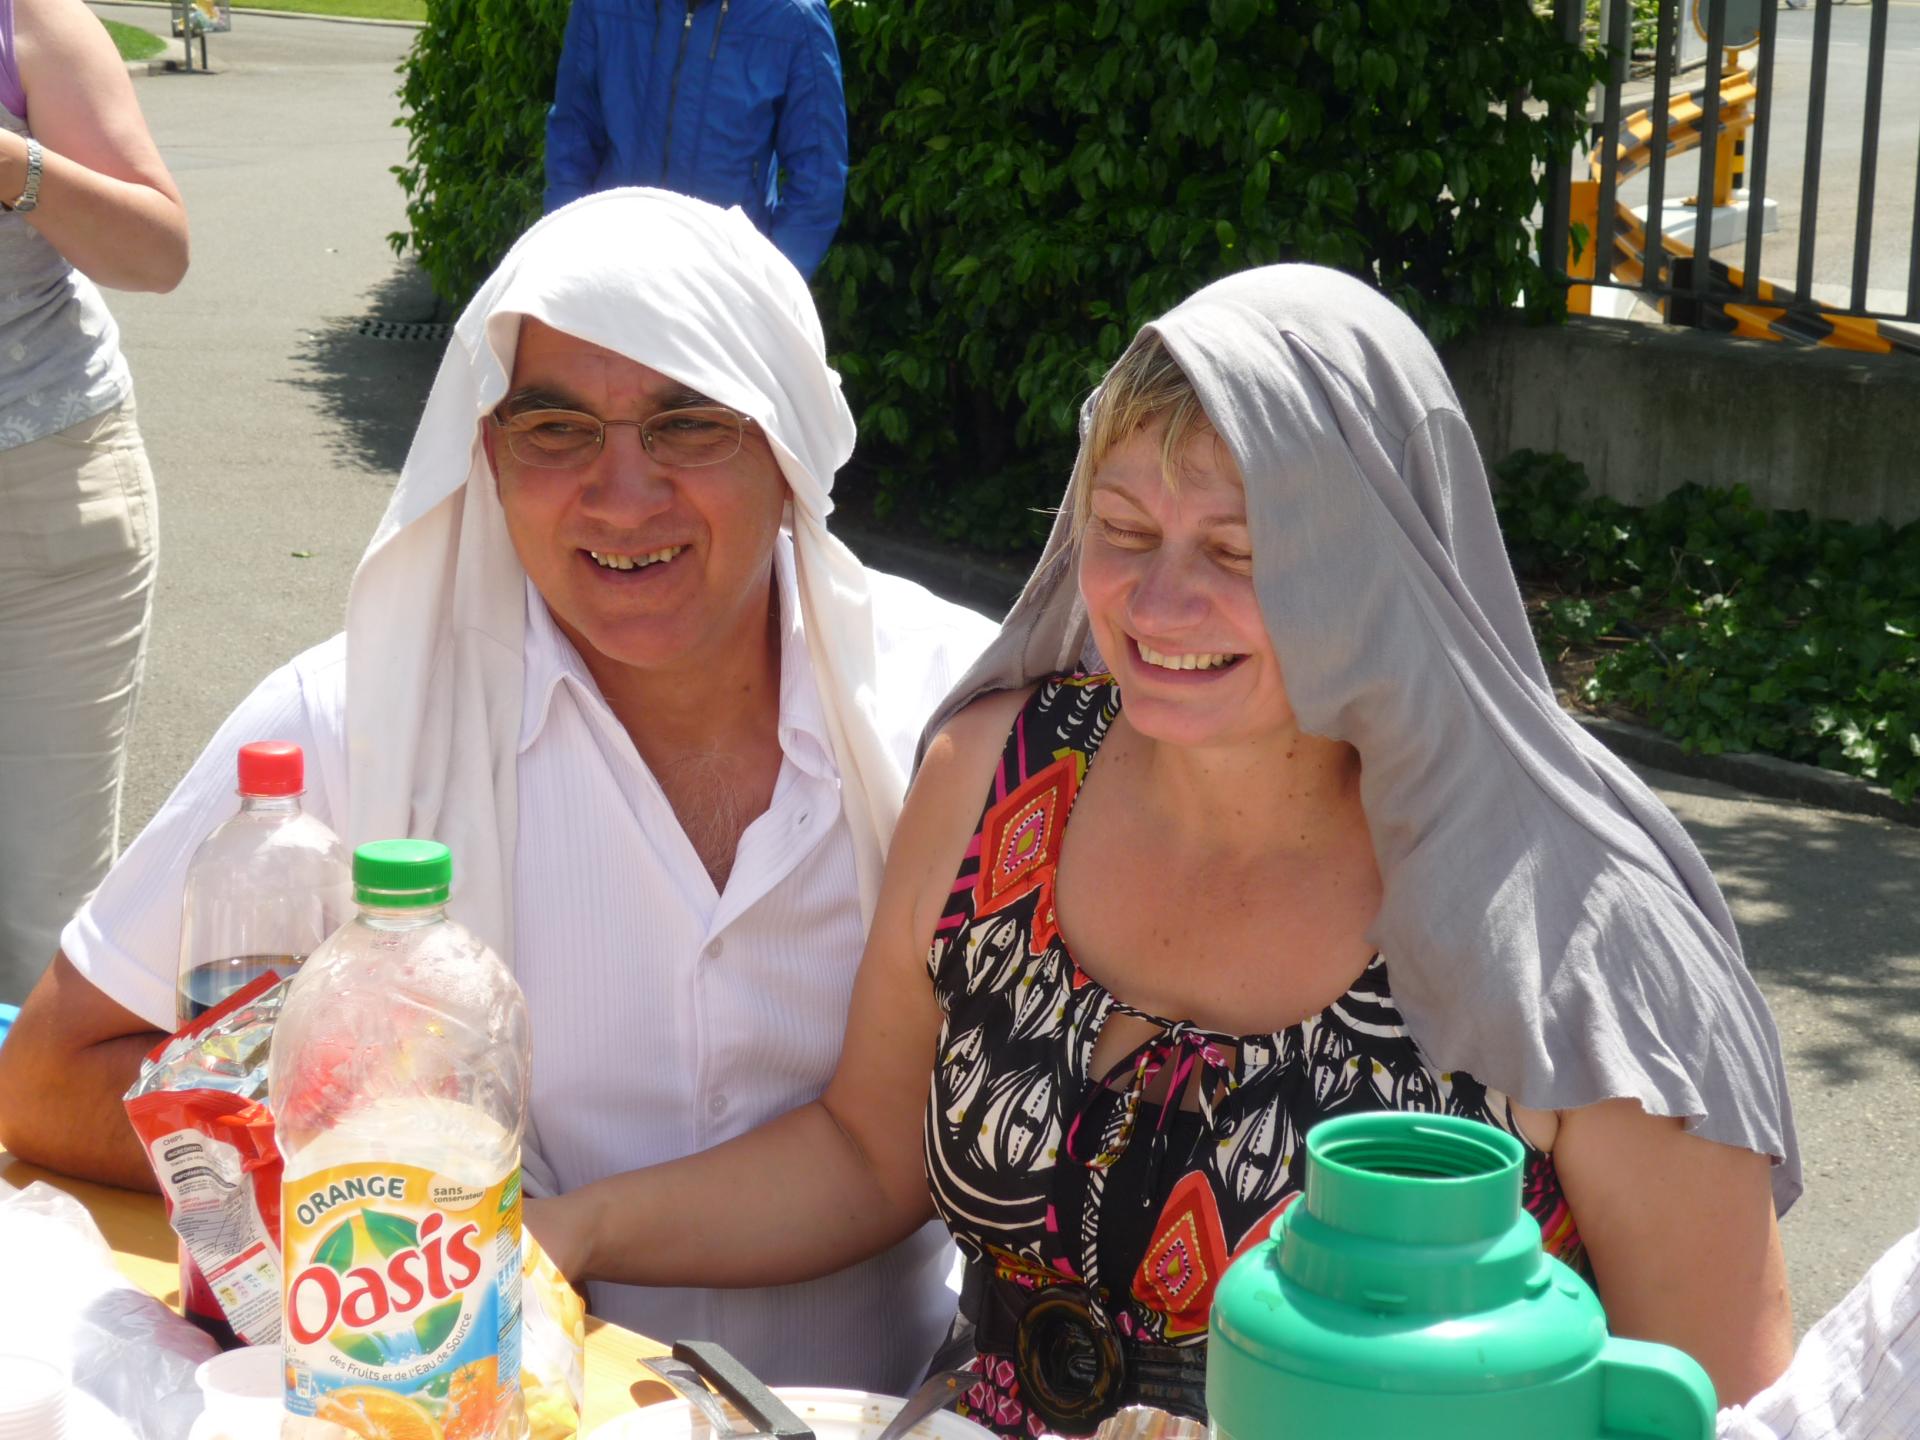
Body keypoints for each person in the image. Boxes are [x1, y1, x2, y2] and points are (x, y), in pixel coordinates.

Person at [524, 265, 1801, 1435]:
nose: (1159, 602)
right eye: (1124, 533)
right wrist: (571, 1231)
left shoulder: (1582, 931)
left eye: (1242, 553)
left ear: (1378, 565)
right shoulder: (1001, 781)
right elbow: (871, 1152)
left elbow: (1733, 1408)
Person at [0, 188, 995, 1392]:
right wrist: (366, 1159)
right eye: (556, 430)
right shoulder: (352, 720)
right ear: (486, 452)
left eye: (688, 426)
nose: (623, 497)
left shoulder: (959, 717)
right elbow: (49, 1075)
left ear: (787, 445)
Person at [0, 0, 188, 1004]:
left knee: (37, 927)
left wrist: (13, 168)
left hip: (46, 505)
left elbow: (158, 252)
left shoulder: (27, 24)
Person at [543, 0, 847, 280]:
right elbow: (572, 135)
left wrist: (767, 288)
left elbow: (819, 176)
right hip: (609, 269)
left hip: (723, 289)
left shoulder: (794, 15)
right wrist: (566, 255)